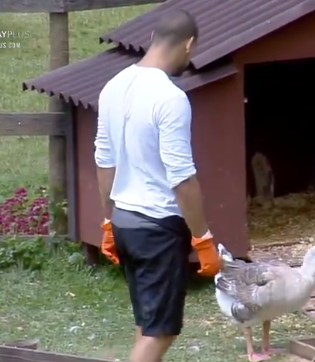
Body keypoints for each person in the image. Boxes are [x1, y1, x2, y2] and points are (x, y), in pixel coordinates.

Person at [94, 9, 221, 362]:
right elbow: (182, 178)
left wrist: (108, 221)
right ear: (189, 44)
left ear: (151, 38)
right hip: (157, 230)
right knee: (161, 333)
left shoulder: (113, 86)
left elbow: (104, 162)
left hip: (125, 224)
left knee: (147, 325)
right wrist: (203, 238)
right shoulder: (170, 98)